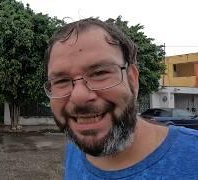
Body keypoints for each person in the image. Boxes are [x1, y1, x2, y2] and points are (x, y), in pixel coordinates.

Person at [44, 17, 198, 179]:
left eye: (99, 73)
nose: (79, 97)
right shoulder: (76, 147)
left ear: (132, 79)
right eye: (61, 81)